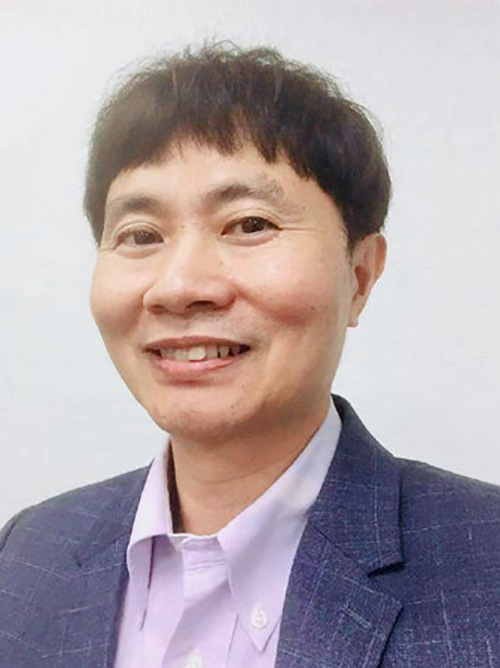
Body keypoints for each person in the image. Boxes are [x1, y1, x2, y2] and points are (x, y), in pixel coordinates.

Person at [1, 42, 499, 668]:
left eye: (250, 224)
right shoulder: (27, 555)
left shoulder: (485, 565)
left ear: (360, 275)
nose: (179, 286)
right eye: (141, 234)